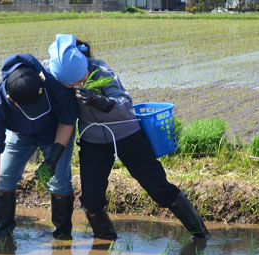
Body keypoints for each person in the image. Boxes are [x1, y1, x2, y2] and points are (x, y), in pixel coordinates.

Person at [46, 34, 210, 240]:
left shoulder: (101, 71)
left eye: (80, 79)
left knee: (159, 189)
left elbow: (124, 101)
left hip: (127, 134)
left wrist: (101, 102)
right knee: (91, 200)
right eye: (71, 85)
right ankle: (105, 244)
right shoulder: (56, 73)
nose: (77, 85)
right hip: (93, 141)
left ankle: (201, 235)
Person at [0, 53, 79, 240]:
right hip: (21, 133)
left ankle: (62, 236)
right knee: (4, 177)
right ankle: (4, 235)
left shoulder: (54, 84)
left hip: (55, 132)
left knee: (58, 180)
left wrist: (53, 158)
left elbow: (67, 122)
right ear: (11, 99)